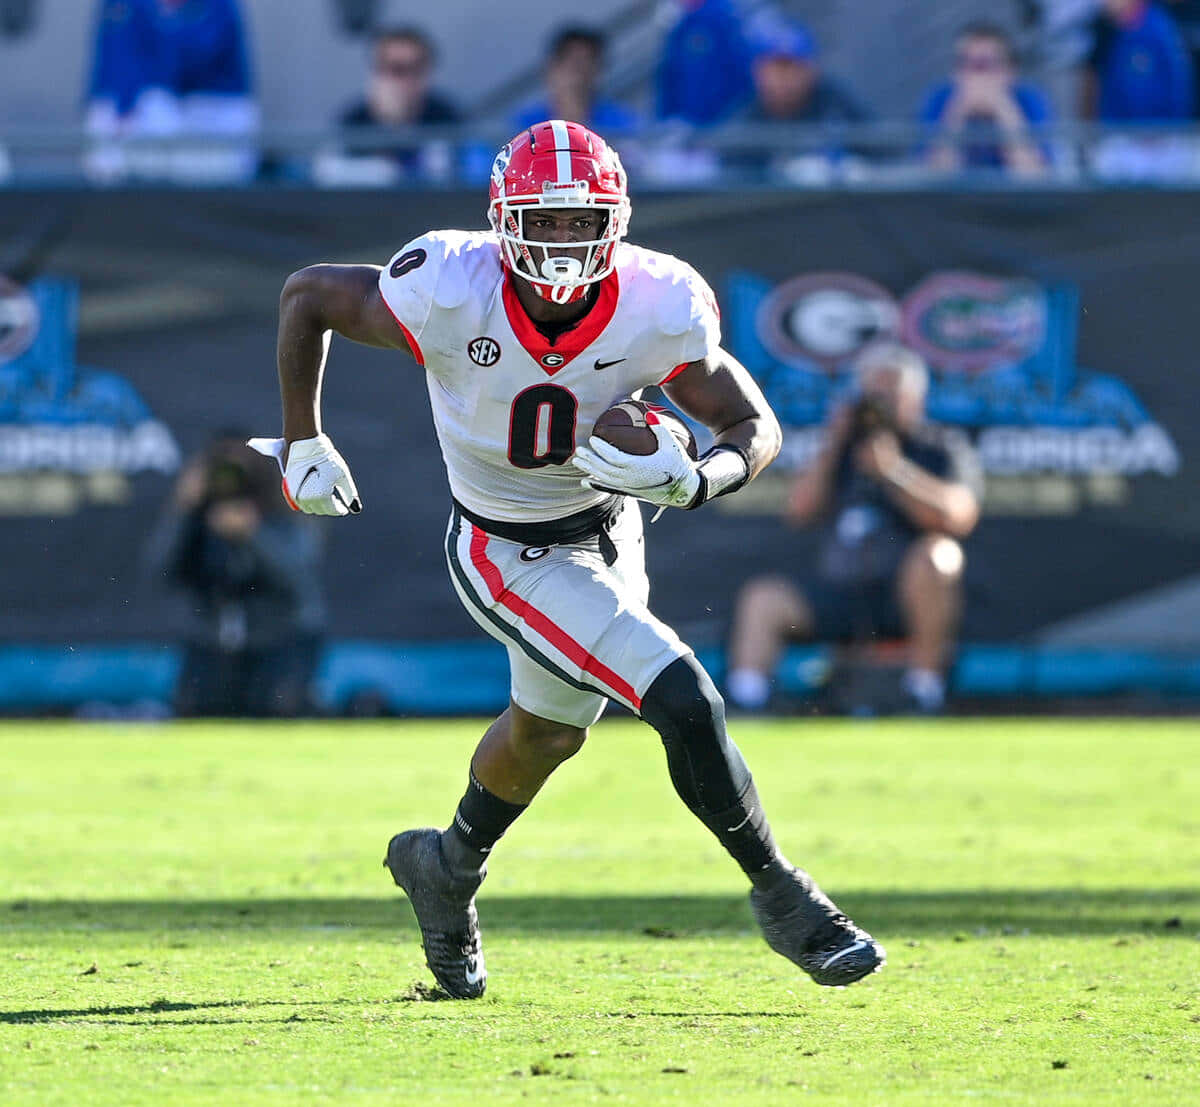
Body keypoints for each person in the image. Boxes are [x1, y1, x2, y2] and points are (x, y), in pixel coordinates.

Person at [251, 120, 885, 999]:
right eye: (541, 222)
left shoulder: (659, 300)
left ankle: (446, 867)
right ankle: (787, 897)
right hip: (504, 549)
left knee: (548, 731)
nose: (559, 241)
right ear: (504, 221)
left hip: (611, 532)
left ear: (614, 221)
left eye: (578, 220)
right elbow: (308, 294)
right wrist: (300, 439)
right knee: (684, 695)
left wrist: (703, 480)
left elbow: (754, 425)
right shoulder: (449, 283)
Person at [727, 342, 982, 716]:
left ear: (914, 399)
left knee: (939, 556)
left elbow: (958, 517)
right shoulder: (843, 450)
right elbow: (799, 511)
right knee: (763, 598)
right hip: (840, 591)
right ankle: (744, 701)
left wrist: (893, 471)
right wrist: (835, 440)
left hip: (906, 595)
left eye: (889, 395)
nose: (878, 404)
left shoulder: (940, 446)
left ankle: (922, 693)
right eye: (871, 394)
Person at [147, 432, 325, 717]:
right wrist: (181, 509)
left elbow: (298, 579)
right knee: (197, 712)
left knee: (279, 709)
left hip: (278, 640)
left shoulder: (286, 512)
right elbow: (161, 571)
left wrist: (252, 535)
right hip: (212, 643)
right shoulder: (199, 520)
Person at [84, 0, 259, 183]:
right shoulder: (123, 5)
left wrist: (168, 24)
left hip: (209, 119)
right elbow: (117, 61)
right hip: (140, 119)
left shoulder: (220, 6)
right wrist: (125, 106)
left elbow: (196, 60)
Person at [918, 21, 1053, 176]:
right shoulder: (939, 99)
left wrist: (1004, 110)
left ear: (1010, 71)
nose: (978, 76)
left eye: (987, 65)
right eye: (967, 64)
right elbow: (934, 178)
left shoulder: (1028, 99)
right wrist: (957, 112)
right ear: (955, 72)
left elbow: (1035, 178)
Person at [335, 26, 461, 181]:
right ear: (377, 72)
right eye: (398, 70)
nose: (408, 79)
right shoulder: (352, 124)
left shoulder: (450, 121)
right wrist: (389, 125)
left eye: (417, 69)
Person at [512, 27, 639, 134]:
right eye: (571, 64)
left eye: (586, 64)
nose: (577, 76)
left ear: (599, 71)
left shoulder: (624, 123)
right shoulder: (523, 123)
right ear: (551, 68)